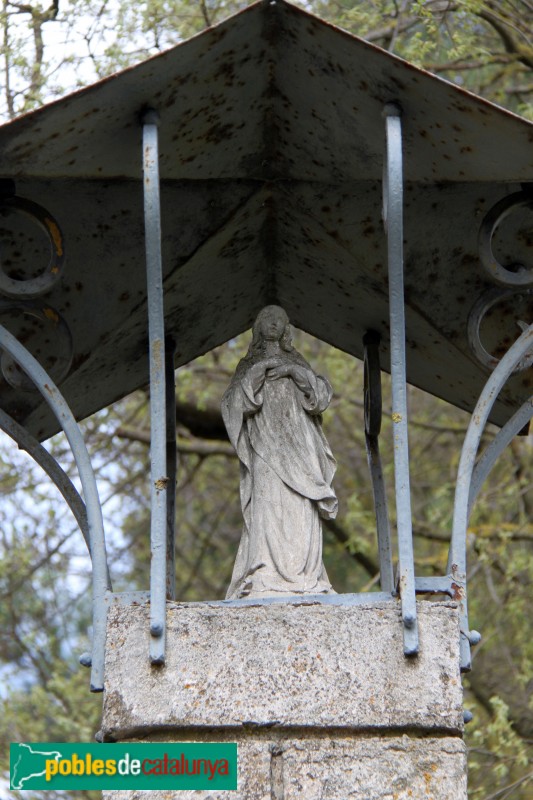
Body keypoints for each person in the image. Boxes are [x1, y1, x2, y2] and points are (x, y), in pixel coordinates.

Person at [222, 305, 338, 599]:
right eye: (268, 319)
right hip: (265, 444)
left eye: (280, 320)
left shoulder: (296, 360)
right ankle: (266, 572)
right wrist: (257, 373)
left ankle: (306, 575)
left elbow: (320, 397)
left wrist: (295, 372)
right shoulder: (249, 363)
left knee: (301, 504)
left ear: (287, 328)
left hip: (300, 445)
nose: (274, 324)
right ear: (258, 326)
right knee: (269, 501)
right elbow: (233, 404)